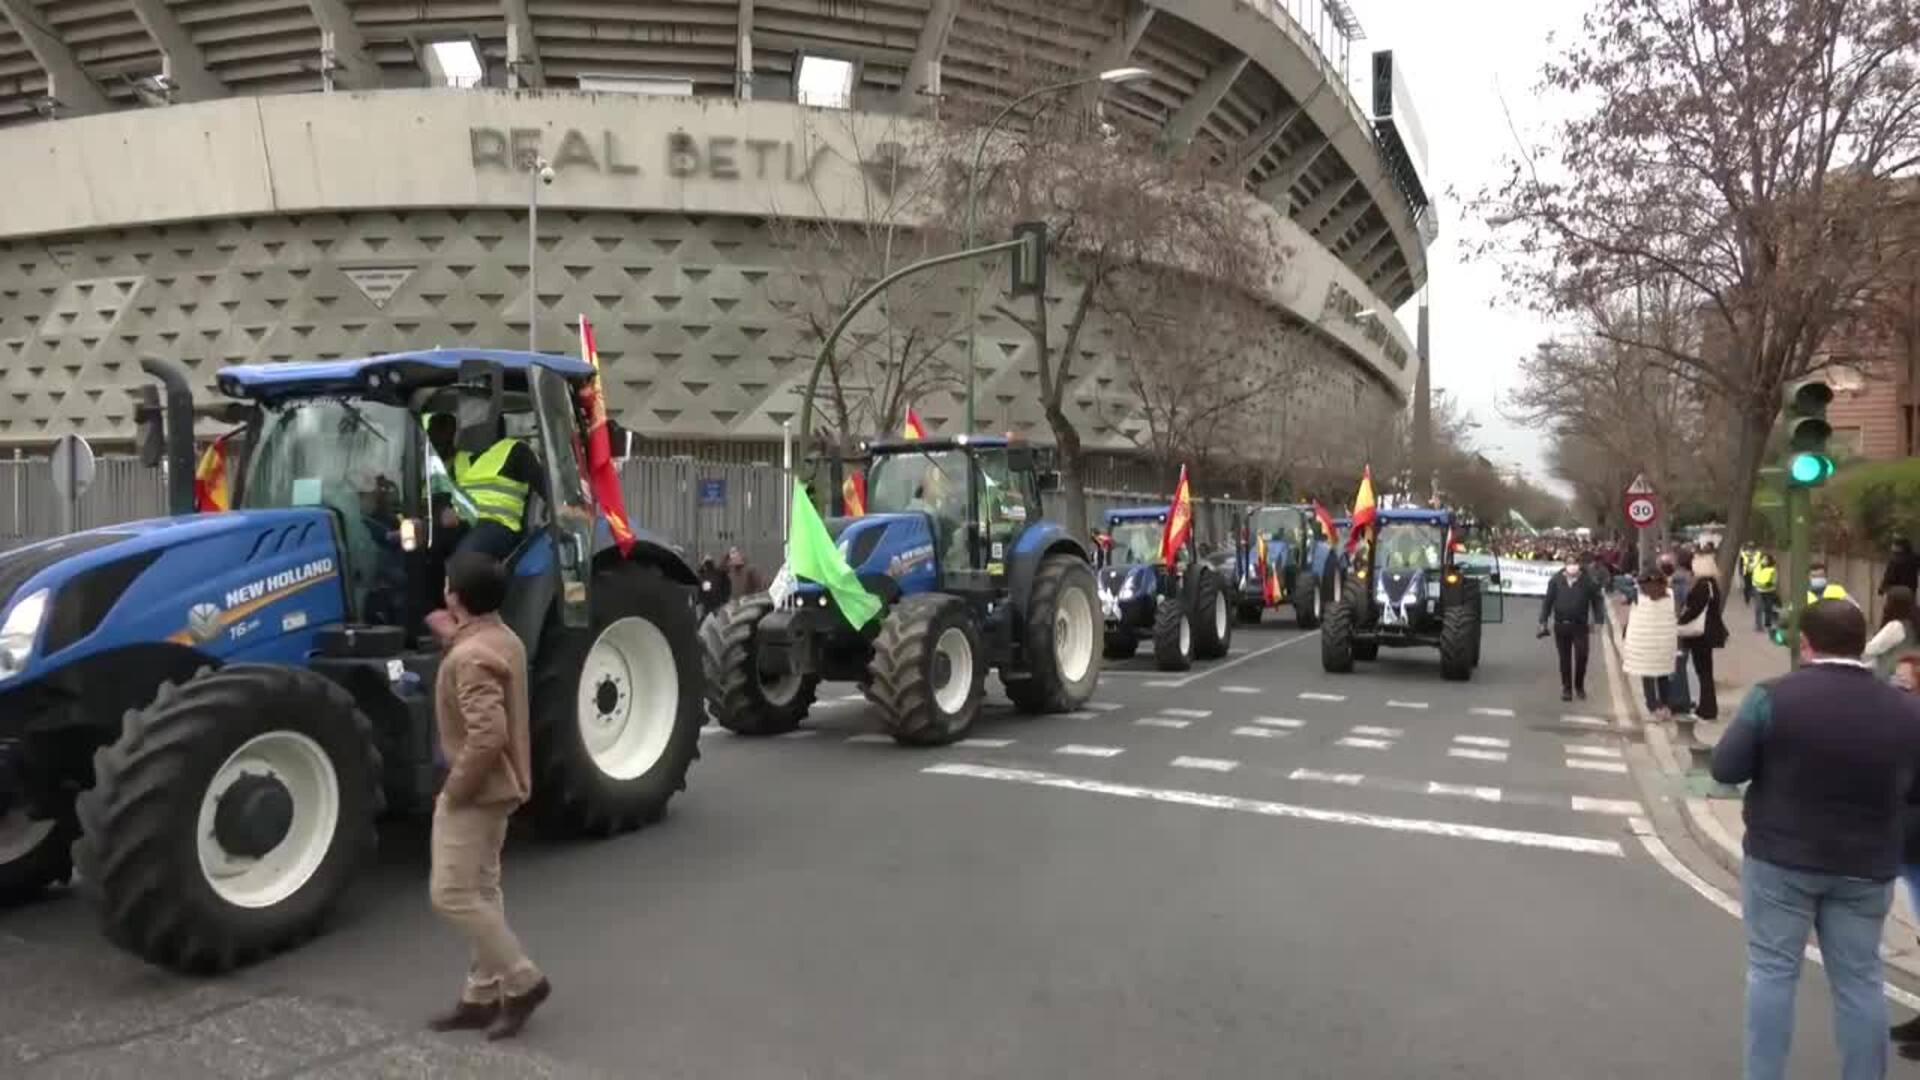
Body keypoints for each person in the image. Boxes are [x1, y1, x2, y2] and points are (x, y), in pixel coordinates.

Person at [1710, 600, 1920, 1080]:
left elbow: (1726, 768)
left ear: (1805, 644)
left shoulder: (1771, 697)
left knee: (1772, 972)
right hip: (1866, 865)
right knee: (1860, 980)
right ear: (1861, 643)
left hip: (1780, 858)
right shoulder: (1906, 710)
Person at [423, 553, 551, 1040]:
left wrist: (454, 790)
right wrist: (454, 634)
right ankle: (479, 996)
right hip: (504, 786)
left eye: (448, 584)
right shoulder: (503, 639)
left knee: (451, 894)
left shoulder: (470, 657)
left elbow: (487, 735)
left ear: (455, 597)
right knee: (482, 888)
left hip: (477, 791)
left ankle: (523, 980)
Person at [454, 432, 543, 561]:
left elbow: (547, 489)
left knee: (464, 559)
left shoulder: (516, 450)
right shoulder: (458, 461)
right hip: (463, 522)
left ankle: (501, 571)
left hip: (499, 525)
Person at [1540, 554, 1604, 701]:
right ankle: (1567, 688)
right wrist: (1543, 620)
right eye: (1569, 563)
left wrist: (1598, 620)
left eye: (1575, 563)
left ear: (1579, 564)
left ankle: (1579, 686)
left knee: (1582, 656)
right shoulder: (1555, 580)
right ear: (1565, 564)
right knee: (1564, 659)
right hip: (1561, 625)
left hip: (1580, 625)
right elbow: (1548, 601)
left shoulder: (1588, 581)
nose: (1572, 566)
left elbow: (1597, 601)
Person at [1678, 552, 1729, 720]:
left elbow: (1694, 609)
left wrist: (1680, 621)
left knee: (1703, 672)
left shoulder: (1702, 586)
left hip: (1701, 634)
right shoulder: (1712, 585)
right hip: (1709, 632)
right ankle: (1708, 708)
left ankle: (1706, 710)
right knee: (1706, 671)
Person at [1622, 571, 1679, 720]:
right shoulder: (1671, 595)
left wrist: (1634, 582)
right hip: (1664, 644)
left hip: (1645, 645)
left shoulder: (1637, 595)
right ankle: (1665, 706)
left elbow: (1619, 585)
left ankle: (1653, 707)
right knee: (1663, 675)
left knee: (1647, 676)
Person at [1866, 586, 1918, 680]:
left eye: (1886, 601)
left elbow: (1871, 649)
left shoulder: (1895, 627)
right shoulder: (1914, 625)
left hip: (1889, 677)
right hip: (1909, 676)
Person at [1751, 552, 1779, 633]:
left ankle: (1768, 624)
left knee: (1768, 608)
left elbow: (1774, 580)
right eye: (1763, 559)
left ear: (1769, 561)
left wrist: (1770, 583)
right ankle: (1758, 625)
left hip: (1769, 591)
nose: (1764, 560)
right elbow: (1752, 571)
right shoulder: (1757, 566)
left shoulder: (1773, 569)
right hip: (1758, 590)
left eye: (1766, 559)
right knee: (1758, 607)